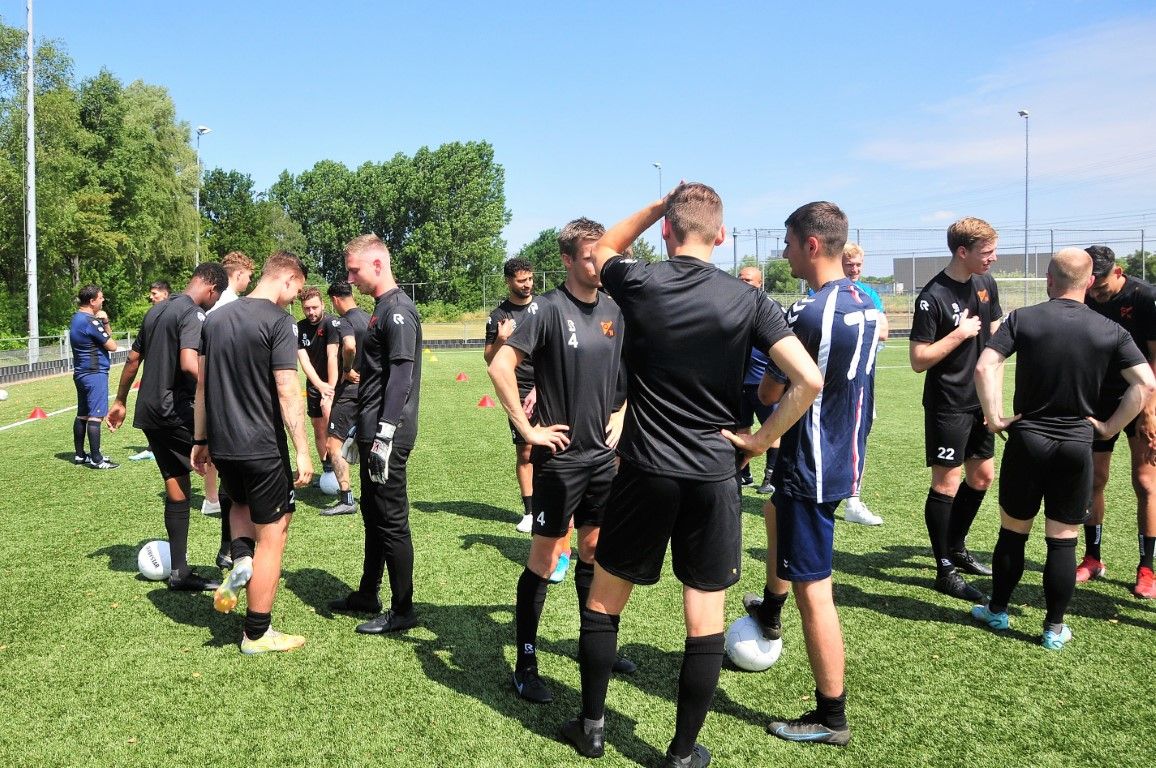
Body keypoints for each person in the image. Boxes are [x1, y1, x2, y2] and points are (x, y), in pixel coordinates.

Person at [561, 184, 822, 767]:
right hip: (712, 475)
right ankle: (681, 753)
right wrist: (759, 439)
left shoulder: (642, 282)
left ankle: (593, 728)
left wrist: (657, 205)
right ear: (722, 236)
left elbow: (602, 245)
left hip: (645, 469)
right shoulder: (748, 299)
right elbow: (809, 379)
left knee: (604, 604)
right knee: (702, 619)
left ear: (667, 234)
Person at [972, 248, 1155, 648]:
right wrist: (1109, 427)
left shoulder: (1024, 318)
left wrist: (995, 417)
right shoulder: (1111, 330)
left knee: (1013, 533)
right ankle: (1053, 629)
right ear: (1089, 283)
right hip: (1077, 444)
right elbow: (1145, 383)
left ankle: (997, 611)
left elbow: (985, 366)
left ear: (1049, 281)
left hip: (1028, 440)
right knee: (1062, 539)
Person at [744, 202, 879, 746]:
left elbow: (773, 390)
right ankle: (769, 607)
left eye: (789, 242)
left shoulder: (808, 314)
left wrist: (758, 436)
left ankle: (830, 715)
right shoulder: (866, 304)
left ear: (813, 246)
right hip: (843, 454)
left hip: (809, 461)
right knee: (772, 510)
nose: (784, 251)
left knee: (815, 587)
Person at [489, 218, 633, 705]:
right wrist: (527, 430)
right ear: (569, 260)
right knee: (547, 560)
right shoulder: (548, 309)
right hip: (561, 462)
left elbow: (626, 379)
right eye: (590, 257)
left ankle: (594, 643)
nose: (599, 264)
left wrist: (621, 414)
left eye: (603, 255)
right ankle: (525, 662)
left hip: (604, 460)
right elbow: (500, 365)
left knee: (593, 552)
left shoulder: (616, 309)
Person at [191, 250, 313, 654]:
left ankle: (239, 557)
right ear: (289, 279)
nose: (294, 299)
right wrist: (303, 450)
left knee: (239, 506)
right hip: (263, 448)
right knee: (274, 537)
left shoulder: (217, 318)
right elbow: (286, 389)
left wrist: (201, 440)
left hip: (224, 446)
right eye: (296, 291)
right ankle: (257, 633)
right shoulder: (280, 322)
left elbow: (202, 387)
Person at [107, 262, 230, 590]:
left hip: (150, 412)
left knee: (176, 488)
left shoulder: (156, 312)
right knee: (232, 464)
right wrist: (226, 383)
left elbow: (133, 359)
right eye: (216, 298)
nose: (214, 303)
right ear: (211, 288)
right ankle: (229, 550)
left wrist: (120, 401)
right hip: (177, 410)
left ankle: (179, 572)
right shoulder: (193, 313)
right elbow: (190, 362)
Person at [328, 234, 423, 635]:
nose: (350, 278)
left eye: (355, 270)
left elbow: (401, 376)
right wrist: (360, 429)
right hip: (371, 429)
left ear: (378, 264)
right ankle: (368, 593)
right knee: (372, 513)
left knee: (391, 519)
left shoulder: (398, 310)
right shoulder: (379, 309)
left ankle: (403, 610)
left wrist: (383, 434)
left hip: (390, 434)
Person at [909, 217, 1002, 600]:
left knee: (982, 477)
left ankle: (956, 547)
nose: (993, 259)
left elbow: (996, 333)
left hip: (980, 400)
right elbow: (918, 359)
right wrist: (959, 334)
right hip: (948, 404)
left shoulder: (986, 284)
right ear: (962, 252)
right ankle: (943, 568)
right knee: (945, 483)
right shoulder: (932, 296)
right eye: (986, 252)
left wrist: (991, 396)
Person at [1081, 246, 1156, 599]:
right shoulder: (1084, 295)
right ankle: (1092, 557)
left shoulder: (1146, 298)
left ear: (1120, 271)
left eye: (1101, 285)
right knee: (1095, 479)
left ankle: (1147, 568)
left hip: (1142, 397)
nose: (1095, 293)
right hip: (1100, 400)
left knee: (1145, 483)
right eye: (1091, 286)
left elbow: (1155, 361)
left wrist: (1150, 411)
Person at [484, 257, 539, 533]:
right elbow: (489, 359)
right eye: (521, 280)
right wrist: (501, 339)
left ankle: (556, 508)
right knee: (526, 451)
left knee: (557, 449)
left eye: (530, 279)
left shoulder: (544, 308)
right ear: (508, 281)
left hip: (549, 387)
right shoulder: (498, 317)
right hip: (518, 391)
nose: (527, 284)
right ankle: (530, 512)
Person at [200, 251, 255, 518]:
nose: (249, 282)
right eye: (248, 276)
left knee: (214, 442)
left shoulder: (214, 301)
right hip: (224, 382)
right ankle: (217, 498)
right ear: (238, 274)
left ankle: (213, 498)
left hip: (213, 380)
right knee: (221, 443)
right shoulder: (229, 303)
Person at [839, 242, 888, 525]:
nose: (855, 270)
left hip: (864, 375)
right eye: (850, 265)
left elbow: (884, 331)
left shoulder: (869, 293)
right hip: (834, 377)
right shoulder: (825, 290)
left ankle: (853, 500)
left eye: (858, 265)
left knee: (860, 432)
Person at [320, 281, 371, 517]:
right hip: (370, 390)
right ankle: (373, 493)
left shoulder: (342, 321)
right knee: (367, 441)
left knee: (334, 444)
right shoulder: (370, 318)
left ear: (335, 300)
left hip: (349, 392)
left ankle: (346, 498)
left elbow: (348, 346)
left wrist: (346, 369)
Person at [736, 266, 779, 494]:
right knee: (742, 428)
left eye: (749, 280)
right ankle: (745, 474)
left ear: (760, 283)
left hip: (764, 384)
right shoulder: (731, 306)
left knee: (772, 429)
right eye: (740, 279)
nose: (743, 283)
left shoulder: (770, 308)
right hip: (739, 383)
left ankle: (770, 476)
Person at [69, 284, 119, 469]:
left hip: (81, 373)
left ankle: (80, 455)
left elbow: (105, 336)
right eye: (101, 297)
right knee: (96, 416)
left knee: (82, 414)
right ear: (92, 301)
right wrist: (104, 322)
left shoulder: (76, 318)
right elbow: (112, 345)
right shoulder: (90, 321)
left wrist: (104, 321)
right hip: (94, 373)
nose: (103, 300)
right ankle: (97, 459)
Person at [297, 286, 340, 481]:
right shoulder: (299, 328)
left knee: (334, 427)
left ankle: (339, 470)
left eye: (315, 307)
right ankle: (328, 470)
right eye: (307, 308)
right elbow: (304, 362)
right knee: (318, 427)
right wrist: (319, 386)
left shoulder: (332, 323)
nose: (311, 312)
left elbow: (332, 356)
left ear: (323, 304)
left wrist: (329, 389)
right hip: (315, 385)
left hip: (334, 383)